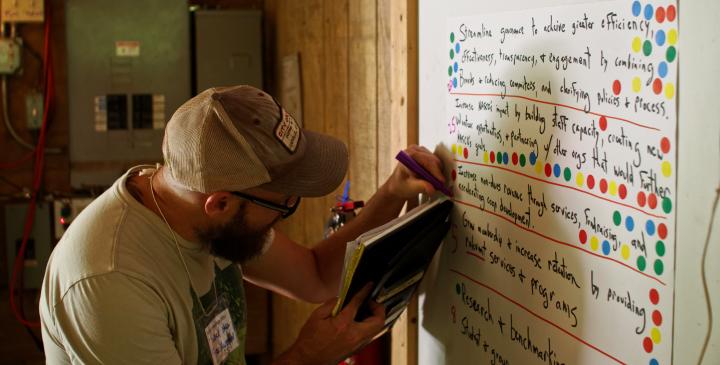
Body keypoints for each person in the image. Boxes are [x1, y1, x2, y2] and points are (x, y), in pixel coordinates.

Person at [39, 85, 446, 365]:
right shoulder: (109, 282)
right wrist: (307, 357)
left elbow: (316, 275)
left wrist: (392, 193)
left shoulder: (196, 211)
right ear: (220, 203)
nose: (289, 209)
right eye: (285, 203)